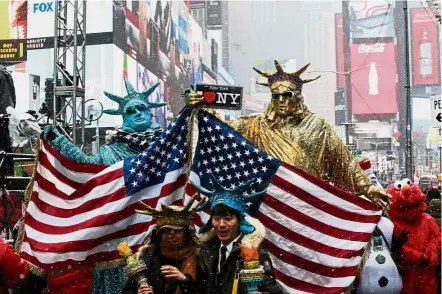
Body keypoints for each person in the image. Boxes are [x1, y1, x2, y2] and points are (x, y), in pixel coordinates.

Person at [15, 78, 167, 294]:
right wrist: (54, 138)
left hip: (157, 237)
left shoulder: (166, 149)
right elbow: (85, 170)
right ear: (124, 118)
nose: (139, 113)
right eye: (132, 110)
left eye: (143, 108)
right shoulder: (110, 153)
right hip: (116, 235)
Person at [186, 61, 389, 207]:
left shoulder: (318, 126)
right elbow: (222, 128)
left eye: (287, 95)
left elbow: (343, 162)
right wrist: (201, 108)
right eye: (277, 96)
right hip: (269, 205)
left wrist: (367, 188)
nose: (282, 100)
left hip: (309, 204)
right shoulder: (256, 125)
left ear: (298, 96)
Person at [192, 175, 280, 294]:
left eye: (228, 218)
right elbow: (199, 287)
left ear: (239, 222)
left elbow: (270, 289)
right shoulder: (205, 250)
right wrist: (185, 281)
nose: (221, 224)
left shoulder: (255, 252)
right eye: (216, 218)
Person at [122, 195, 204, 294]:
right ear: (159, 234)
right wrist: (138, 292)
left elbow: (209, 289)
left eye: (176, 231)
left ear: (186, 233)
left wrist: (185, 281)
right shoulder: (147, 256)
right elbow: (127, 290)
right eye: (166, 231)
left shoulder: (201, 257)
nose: (170, 235)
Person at [387, 179, 441, 294]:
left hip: (427, 275)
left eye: (413, 206)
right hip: (406, 274)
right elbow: (394, 248)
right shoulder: (393, 225)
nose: (411, 211)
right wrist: (418, 256)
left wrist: (431, 249)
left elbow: (437, 237)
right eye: (405, 208)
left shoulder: (427, 220)